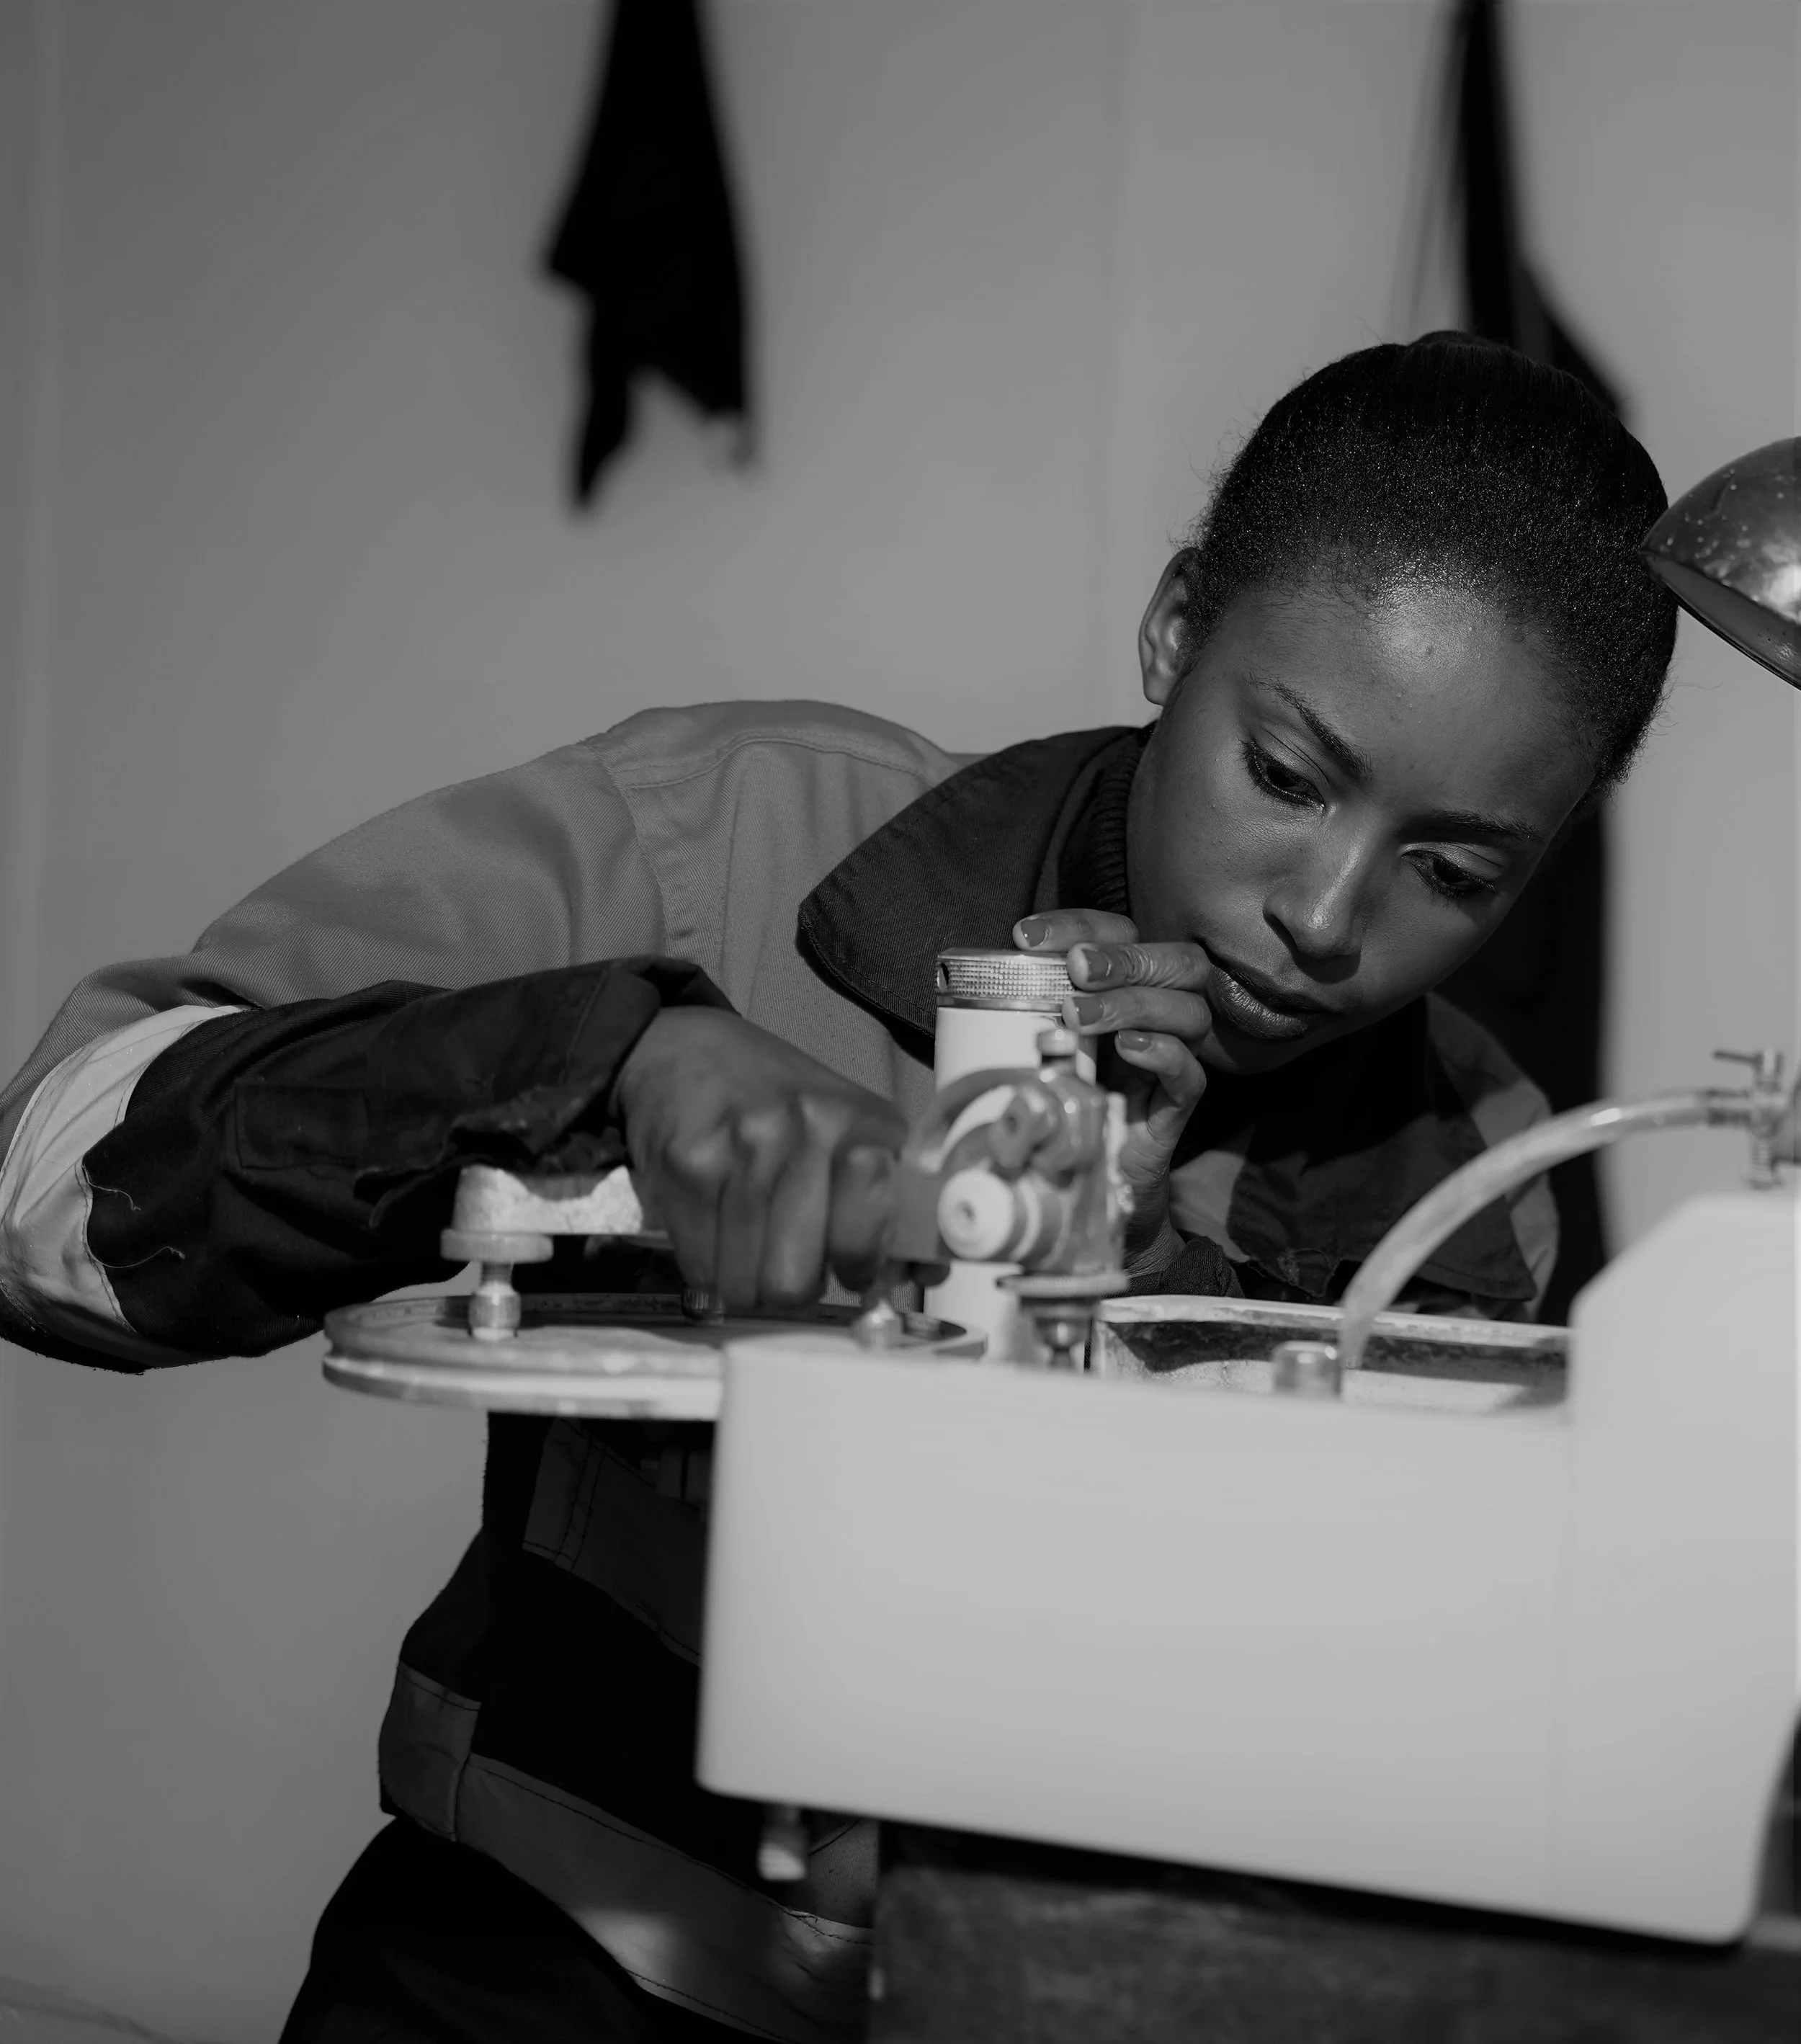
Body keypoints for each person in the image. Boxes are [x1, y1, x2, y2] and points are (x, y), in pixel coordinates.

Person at [0, 334, 1676, 2043]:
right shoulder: (719, 844)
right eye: (1287, 776)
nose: (1322, 917)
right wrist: (616, 1054)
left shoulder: (1472, 1173)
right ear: (1177, 629)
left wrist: (1135, 1292)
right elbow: (52, 1183)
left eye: (1451, 868)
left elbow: (1328, 1755)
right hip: (535, 1970)